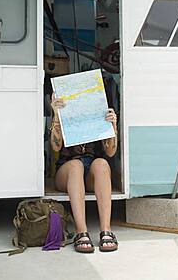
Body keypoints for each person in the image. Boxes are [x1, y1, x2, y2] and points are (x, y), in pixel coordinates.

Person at [50, 94, 118, 253]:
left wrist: (112, 125)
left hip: (90, 173)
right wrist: (56, 115)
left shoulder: (98, 115)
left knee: (101, 163)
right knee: (76, 165)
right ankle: (81, 232)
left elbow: (110, 152)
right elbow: (55, 147)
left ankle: (106, 230)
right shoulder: (65, 115)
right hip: (67, 170)